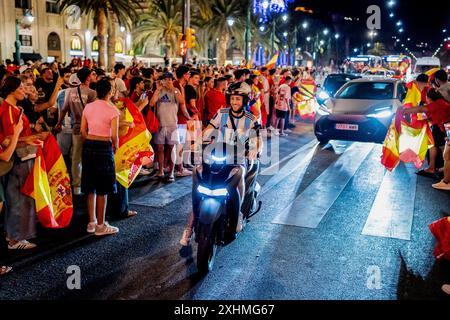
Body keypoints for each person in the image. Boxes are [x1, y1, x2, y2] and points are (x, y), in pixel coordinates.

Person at [179, 81, 262, 246]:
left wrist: (254, 149)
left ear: (244, 100)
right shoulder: (221, 113)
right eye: (232, 98)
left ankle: (237, 213)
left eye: (238, 99)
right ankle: (188, 229)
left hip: (238, 157)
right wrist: (196, 143)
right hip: (217, 155)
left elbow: (257, 139)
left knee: (240, 175)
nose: (234, 102)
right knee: (200, 187)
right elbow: (209, 129)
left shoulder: (250, 119)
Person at [1, 76, 42, 250]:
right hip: (17, 159)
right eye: (21, 88)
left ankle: (17, 236)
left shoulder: (15, 108)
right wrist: (32, 138)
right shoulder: (8, 110)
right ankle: (14, 238)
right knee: (17, 198)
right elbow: (10, 140)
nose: (24, 91)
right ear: (12, 91)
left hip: (21, 156)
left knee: (19, 198)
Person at [80, 79, 120, 236]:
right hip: (104, 147)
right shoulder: (113, 110)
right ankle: (101, 225)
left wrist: (89, 142)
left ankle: (92, 222)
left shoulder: (88, 107)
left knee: (90, 185)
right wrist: (115, 148)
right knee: (103, 187)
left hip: (89, 144)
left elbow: (83, 130)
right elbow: (115, 136)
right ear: (110, 92)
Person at [56, 67, 97, 195]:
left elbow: (64, 110)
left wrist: (58, 123)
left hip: (76, 128)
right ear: (88, 77)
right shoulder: (92, 93)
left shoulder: (71, 92)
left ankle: (76, 187)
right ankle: (88, 183)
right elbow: (94, 113)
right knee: (89, 157)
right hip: (89, 130)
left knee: (76, 158)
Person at [401, 89, 450, 190]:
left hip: (449, 127)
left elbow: (421, 109)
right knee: (446, 155)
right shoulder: (441, 103)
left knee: (447, 156)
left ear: (429, 98)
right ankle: (446, 179)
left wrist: (405, 111)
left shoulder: (436, 104)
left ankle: (446, 182)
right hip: (447, 129)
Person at [150, 72, 189, 181]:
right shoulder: (159, 91)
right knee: (160, 148)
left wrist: (174, 89)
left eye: (170, 79)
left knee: (172, 148)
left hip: (173, 124)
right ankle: (161, 171)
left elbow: (182, 101)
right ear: (162, 81)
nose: (168, 81)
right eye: (166, 79)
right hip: (160, 125)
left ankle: (171, 172)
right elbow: (152, 103)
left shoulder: (175, 90)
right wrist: (157, 89)